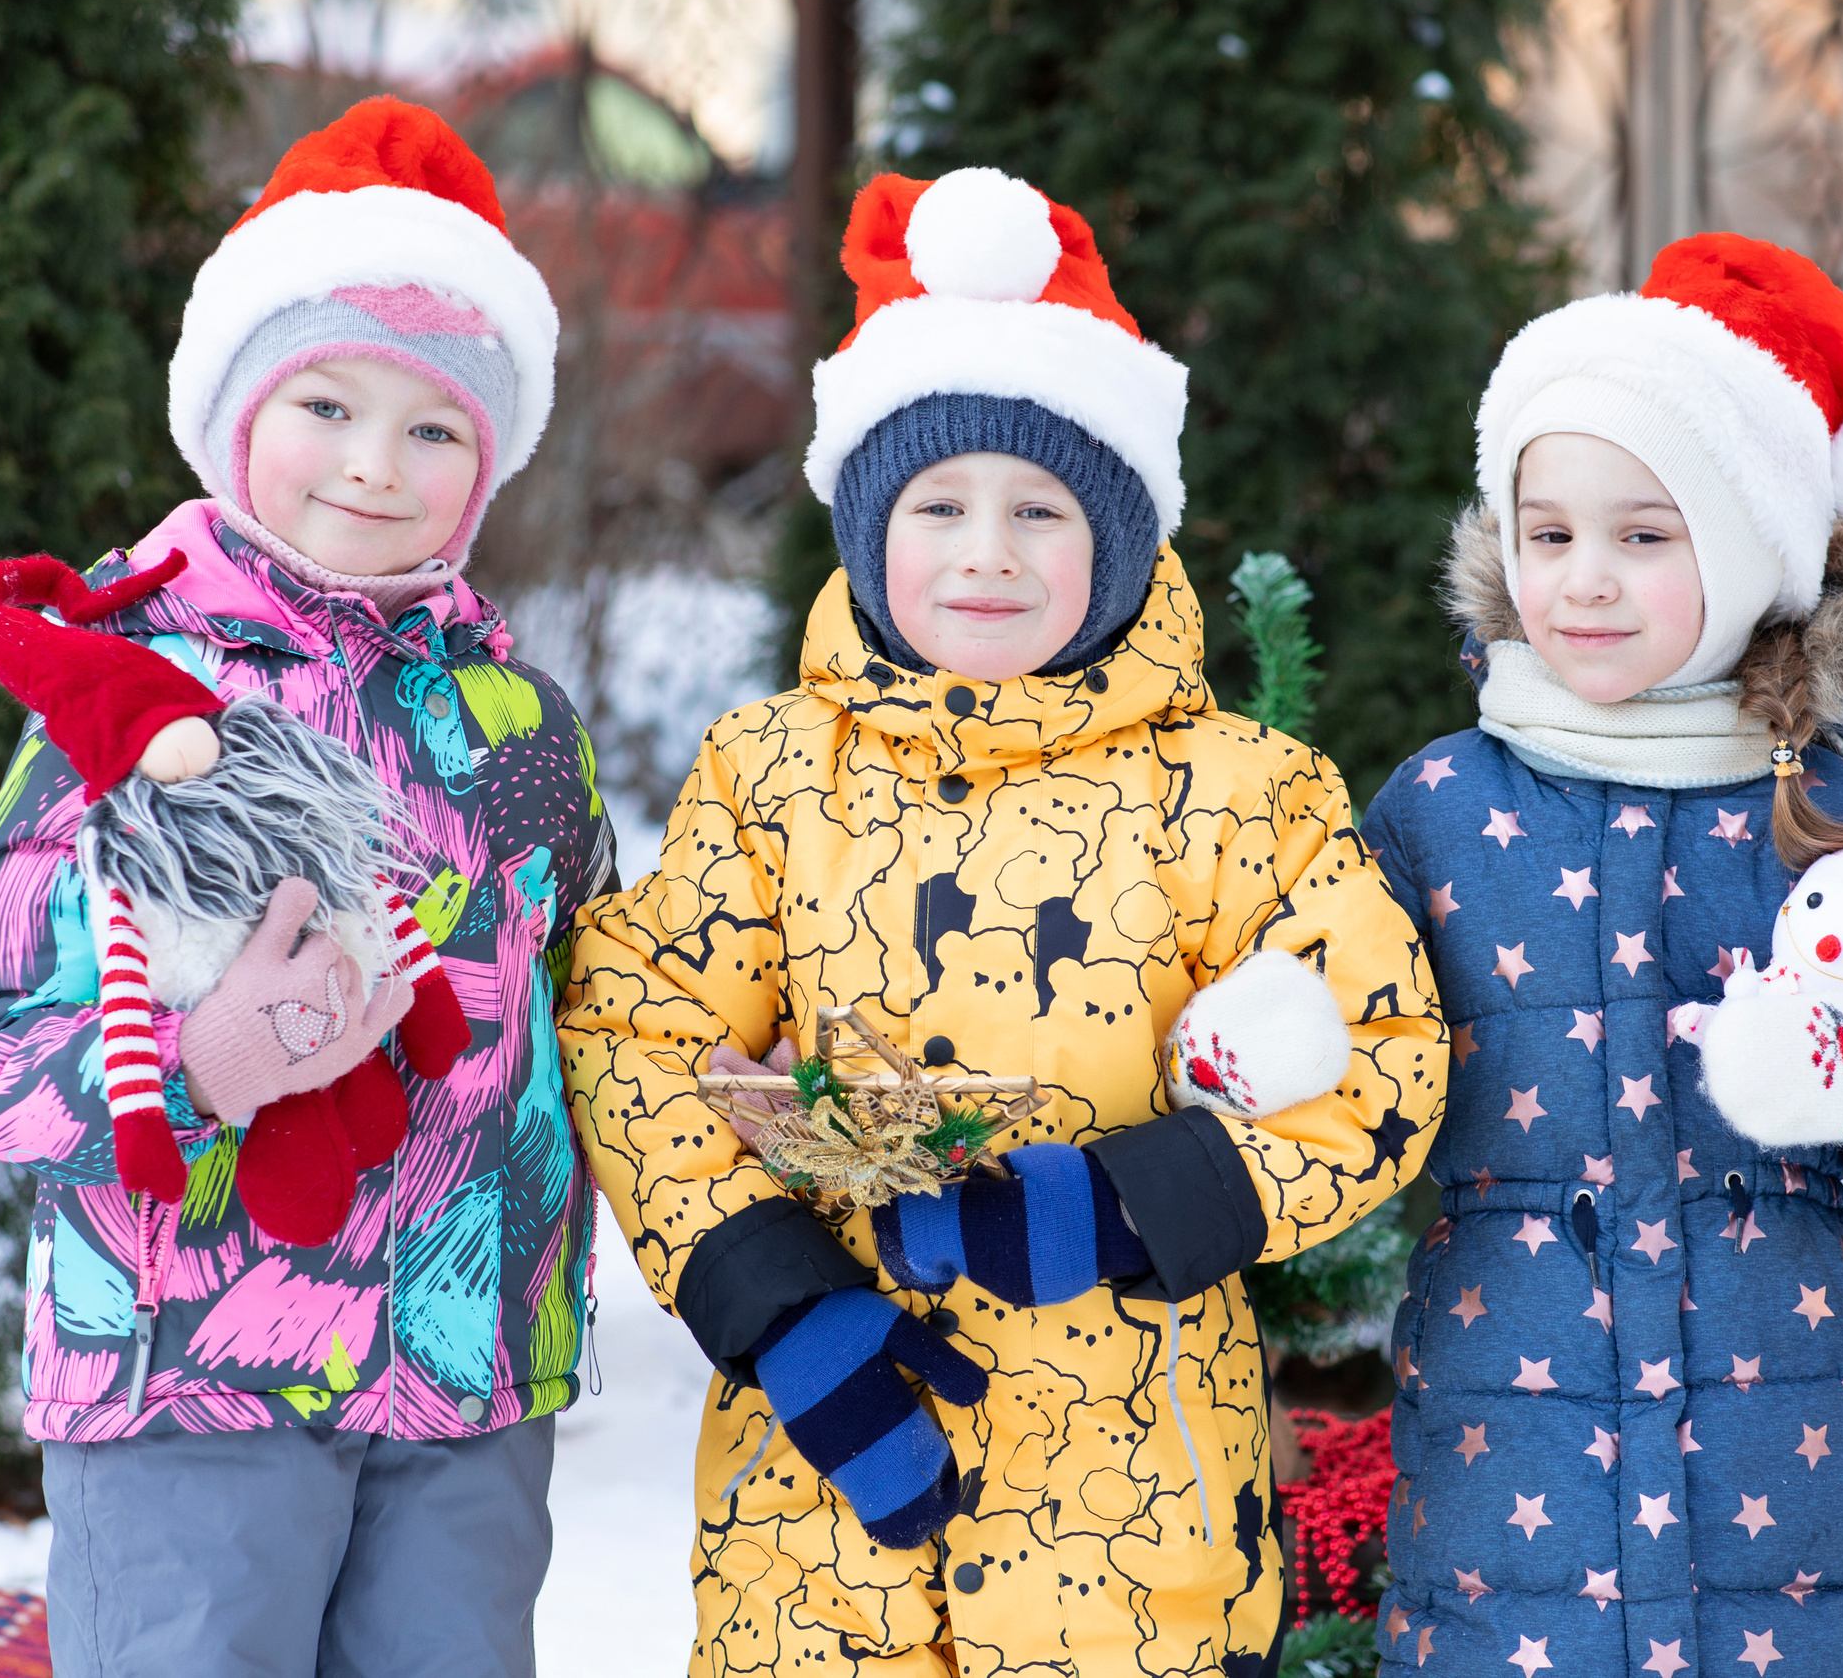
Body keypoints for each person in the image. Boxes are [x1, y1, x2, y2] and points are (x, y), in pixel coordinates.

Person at [559, 165, 1445, 1678]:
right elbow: (636, 1028)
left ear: (1118, 538)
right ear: (864, 530)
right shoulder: (774, 774)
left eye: (1041, 509)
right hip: (820, 1502)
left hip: (1134, 1508)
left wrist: (1120, 1207)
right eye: (938, 505)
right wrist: (784, 1314)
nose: (986, 552)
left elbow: (1378, 1054)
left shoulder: (1234, 794)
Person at [0, 99, 611, 1677]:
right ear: (235, 408)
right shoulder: (126, 700)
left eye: (436, 427)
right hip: (189, 1383)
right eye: (326, 401)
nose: (376, 467)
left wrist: (735, 1062)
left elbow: (602, 1001)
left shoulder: (519, 724)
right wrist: (204, 1063)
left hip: (468, 1387)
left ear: (490, 464)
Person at [1361, 233, 1843, 1676]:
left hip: (1786, 1505)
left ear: (1749, 560)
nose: (1587, 579)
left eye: (1645, 536)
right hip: (1508, 1499)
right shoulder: (1438, 811)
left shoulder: (1821, 808)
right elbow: (1353, 1098)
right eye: (1551, 534)